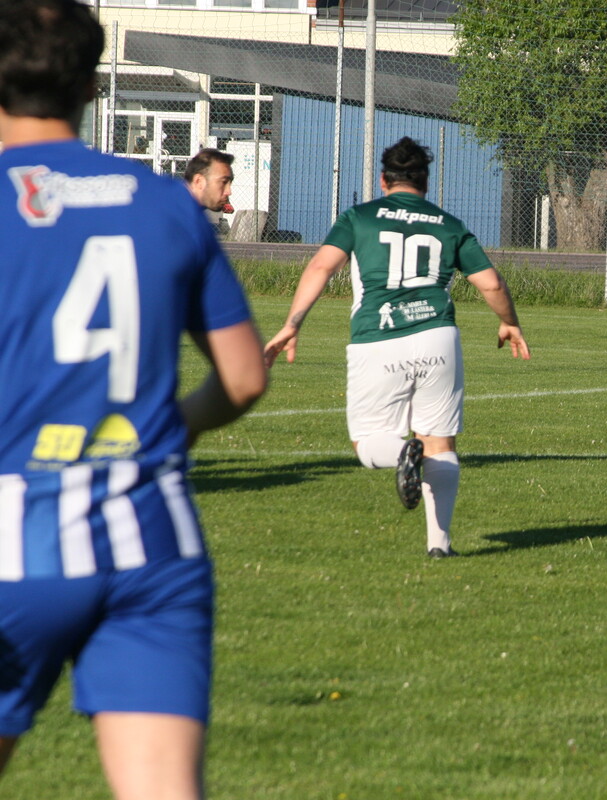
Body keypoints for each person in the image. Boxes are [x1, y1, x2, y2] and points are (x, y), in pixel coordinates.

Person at [0, 2, 268, 797]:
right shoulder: (164, 202)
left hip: (19, 540)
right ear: (90, 85)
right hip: (151, 536)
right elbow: (244, 377)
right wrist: (172, 426)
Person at [264, 136, 530, 558]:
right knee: (440, 444)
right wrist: (509, 322)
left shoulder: (359, 217)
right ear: (425, 181)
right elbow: (492, 283)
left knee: (369, 445)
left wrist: (292, 324)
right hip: (437, 337)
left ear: (383, 181)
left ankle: (404, 452)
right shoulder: (447, 224)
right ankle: (439, 545)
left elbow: (321, 266)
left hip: (379, 337)